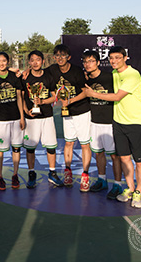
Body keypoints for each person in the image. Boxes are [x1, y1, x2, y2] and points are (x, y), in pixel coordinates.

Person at [83, 46, 141, 209]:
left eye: (118, 57)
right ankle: (130, 189)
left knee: (140, 161)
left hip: (135, 122)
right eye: (111, 58)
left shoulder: (132, 74)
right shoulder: (114, 74)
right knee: (124, 158)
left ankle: (139, 192)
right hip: (118, 122)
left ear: (125, 58)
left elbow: (118, 96)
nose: (114, 61)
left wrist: (94, 94)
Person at [45, 44, 92, 192]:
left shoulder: (77, 71)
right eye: (57, 56)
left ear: (68, 57)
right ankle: (68, 172)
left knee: (84, 144)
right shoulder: (52, 69)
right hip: (67, 113)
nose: (60, 58)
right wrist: (26, 71)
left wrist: (70, 101)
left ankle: (85, 175)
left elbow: (85, 92)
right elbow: (38, 72)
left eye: (63, 55)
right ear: (54, 57)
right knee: (69, 143)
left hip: (82, 111)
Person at [82, 51, 124, 198]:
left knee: (114, 156)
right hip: (94, 123)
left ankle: (117, 184)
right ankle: (102, 180)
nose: (88, 64)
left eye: (91, 61)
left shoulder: (110, 77)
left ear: (98, 62)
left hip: (110, 123)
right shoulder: (86, 80)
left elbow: (120, 93)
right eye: (85, 62)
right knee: (98, 153)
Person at [0, 52, 26, 191]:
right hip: (1, 119)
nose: (1, 63)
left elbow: (19, 97)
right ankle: (0, 176)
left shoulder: (14, 76)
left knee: (16, 148)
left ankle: (15, 175)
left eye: (4, 61)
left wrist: (22, 117)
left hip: (15, 118)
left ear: (8, 62)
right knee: (0, 150)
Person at [21, 51, 63, 188]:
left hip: (47, 116)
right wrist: (26, 111)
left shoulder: (49, 76)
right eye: (32, 60)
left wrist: (43, 101)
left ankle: (52, 172)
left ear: (43, 61)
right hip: (31, 118)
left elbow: (54, 97)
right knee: (30, 148)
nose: (35, 62)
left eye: (38, 59)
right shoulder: (25, 77)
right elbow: (21, 97)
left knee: (51, 146)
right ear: (29, 62)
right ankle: (31, 173)